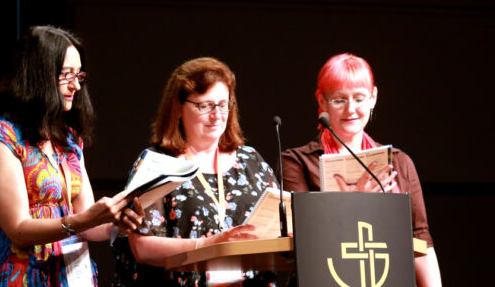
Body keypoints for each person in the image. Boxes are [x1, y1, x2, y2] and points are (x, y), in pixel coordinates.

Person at [0, 25, 145, 286]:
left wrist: (115, 223)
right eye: (67, 75)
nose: (76, 85)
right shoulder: (1, 137)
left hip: (72, 276)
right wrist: (82, 220)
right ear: (38, 75)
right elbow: (18, 230)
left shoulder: (69, 140)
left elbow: (86, 221)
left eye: (79, 75)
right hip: (24, 278)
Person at [112, 57, 282, 286]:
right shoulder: (158, 164)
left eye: (223, 105)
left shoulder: (251, 160)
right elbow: (143, 247)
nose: (217, 115)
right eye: (205, 106)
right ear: (179, 108)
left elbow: (278, 223)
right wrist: (210, 245)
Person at [280, 53, 443, 286]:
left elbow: (421, 241)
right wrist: (352, 201)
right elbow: (301, 239)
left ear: (373, 97)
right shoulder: (297, 162)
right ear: (321, 101)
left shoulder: (399, 162)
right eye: (339, 100)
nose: (351, 110)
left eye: (359, 98)